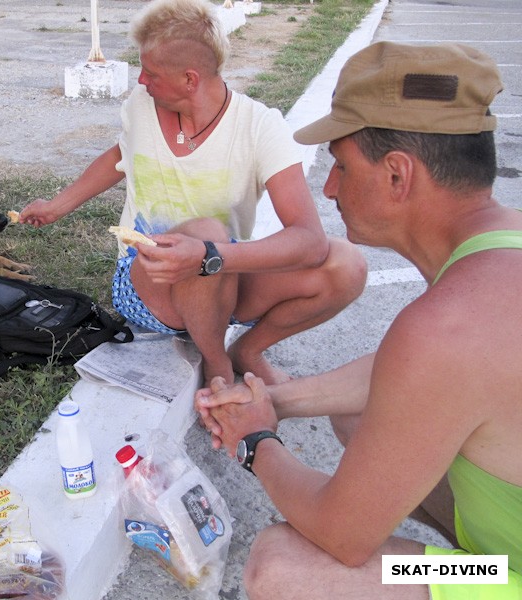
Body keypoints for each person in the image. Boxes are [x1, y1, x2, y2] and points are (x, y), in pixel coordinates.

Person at [195, 41, 522, 599]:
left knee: (281, 567)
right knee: (360, 419)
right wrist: (280, 399)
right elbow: (423, 378)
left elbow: (341, 535)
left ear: (398, 175)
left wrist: (257, 440)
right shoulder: (501, 249)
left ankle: (466, 574)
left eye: (342, 166)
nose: (329, 188)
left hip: (503, 577)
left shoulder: (448, 328)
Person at [20, 0, 366, 386]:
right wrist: (56, 206)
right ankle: (217, 366)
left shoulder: (259, 127)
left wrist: (210, 257)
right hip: (148, 284)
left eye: (150, 72)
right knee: (208, 234)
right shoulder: (141, 106)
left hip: (220, 277)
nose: (140, 81)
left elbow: (309, 241)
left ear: (190, 79)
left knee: (345, 266)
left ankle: (246, 351)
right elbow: (120, 153)